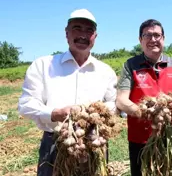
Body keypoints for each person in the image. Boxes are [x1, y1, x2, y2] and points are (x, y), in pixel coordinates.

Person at [17, 9, 118, 176]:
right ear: (66, 33)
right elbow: (26, 104)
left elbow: (113, 103)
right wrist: (54, 113)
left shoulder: (105, 71)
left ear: (95, 37)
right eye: (77, 28)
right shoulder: (43, 65)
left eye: (89, 30)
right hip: (55, 144)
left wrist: (98, 112)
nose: (83, 35)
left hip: (94, 142)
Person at [116, 19, 172, 176]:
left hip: (169, 135)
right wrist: (143, 112)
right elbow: (121, 100)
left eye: (157, 35)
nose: (153, 40)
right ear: (140, 40)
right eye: (147, 35)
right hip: (140, 138)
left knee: (168, 171)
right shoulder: (130, 65)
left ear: (163, 38)